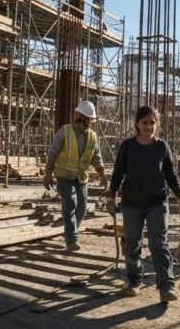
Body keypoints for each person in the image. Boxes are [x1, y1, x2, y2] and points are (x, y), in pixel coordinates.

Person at [106, 105, 180, 303]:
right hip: (132, 204)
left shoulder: (162, 147)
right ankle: (134, 281)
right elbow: (118, 174)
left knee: (158, 245)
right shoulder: (127, 146)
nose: (148, 126)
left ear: (157, 124)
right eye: (144, 122)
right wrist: (111, 198)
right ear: (137, 124)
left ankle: (166, 287)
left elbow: (171, 176)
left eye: (152, 123)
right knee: (132, 244)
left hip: (157, 203)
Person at [44, 100, 107, 252]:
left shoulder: (92, 136)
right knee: (71, 203)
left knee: (82, 208)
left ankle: (73, 231)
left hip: (81, 177)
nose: (90, 122)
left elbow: (96, 156)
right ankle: (72, 239)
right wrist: (48, 174)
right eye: (88, 119)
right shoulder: (64, 132)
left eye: (91, 120)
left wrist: (102, 174)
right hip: (64, 175)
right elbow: (53, 153)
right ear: (79, 116)